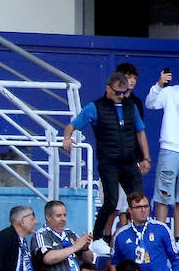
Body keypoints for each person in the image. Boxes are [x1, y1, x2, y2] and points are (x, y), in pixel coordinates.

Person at [64, 71, 150, 245]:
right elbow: (72, 126)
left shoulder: (131, 106)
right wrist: (67, 138)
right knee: (110, 202)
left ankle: (142, 235)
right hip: (108, 162)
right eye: (118, 92)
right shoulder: (95, 107)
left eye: (124, 92)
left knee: (139, 199)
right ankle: (97, 238)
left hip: (129, 161)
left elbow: (140, 132)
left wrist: (146, 158)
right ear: (108, 88)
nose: (121, 96)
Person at [146, 67, 179, 224]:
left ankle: (178, 240)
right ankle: (160, 234)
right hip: (170, 148)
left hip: (170, 149)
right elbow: (150, 103)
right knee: (163, 195)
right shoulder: (169, 92)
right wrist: (159, 84)